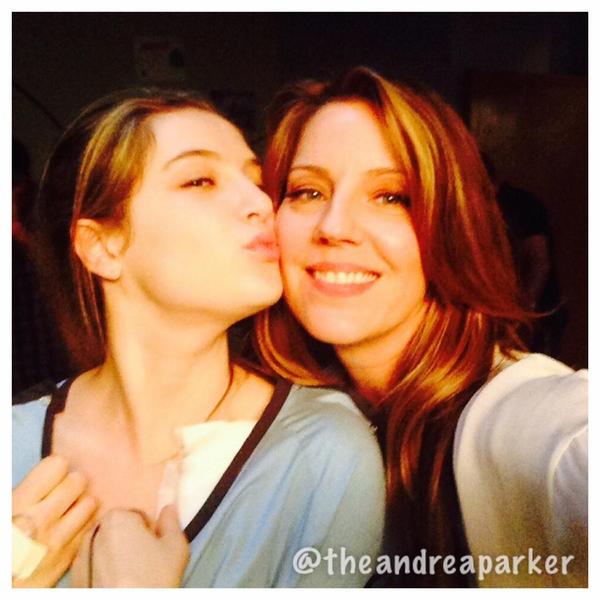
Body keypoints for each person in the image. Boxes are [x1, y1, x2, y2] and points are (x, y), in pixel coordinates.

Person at [12, 88, 385, 587]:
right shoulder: (13, 440)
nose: (260, 204)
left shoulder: (322, 453)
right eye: (200, 180)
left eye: (258, 182)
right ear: (102, 246)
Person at [253, 67, 587, 587]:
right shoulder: (290, 415)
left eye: (391, 196)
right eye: (307, 192)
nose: (334, 226)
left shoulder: (525, 419)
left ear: (452, 227)